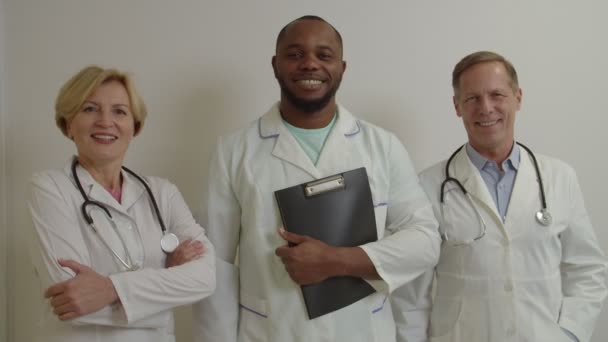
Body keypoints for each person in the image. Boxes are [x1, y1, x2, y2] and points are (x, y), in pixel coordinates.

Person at [193, 15, 440, 342]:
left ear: (342, 67)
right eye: (295, 54)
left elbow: (425, 241)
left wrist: (338, 261)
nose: (310, 64)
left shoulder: (383, 146)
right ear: (275, 64)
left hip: (363, 331)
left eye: (324, 55)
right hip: (273, 332)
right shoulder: (234, 150)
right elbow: (216, 267)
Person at [392, 51, 608, 342]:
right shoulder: (429, 186)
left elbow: (588, 270)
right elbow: (411, 296)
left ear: (518, 98)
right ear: (457, 106)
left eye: (497, 95)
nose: (486, 108)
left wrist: (570, 333)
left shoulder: (560, 177)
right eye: (472, 99)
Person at [27, 65, 216, 342]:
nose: (105, 121)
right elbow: (71, 301)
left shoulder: (162, 193)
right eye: (90, 109)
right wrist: (167, 291)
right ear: (68, 124)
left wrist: (109, 289)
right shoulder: (49, 188)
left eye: (119, 111)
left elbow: (206, 277)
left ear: (134, 126)